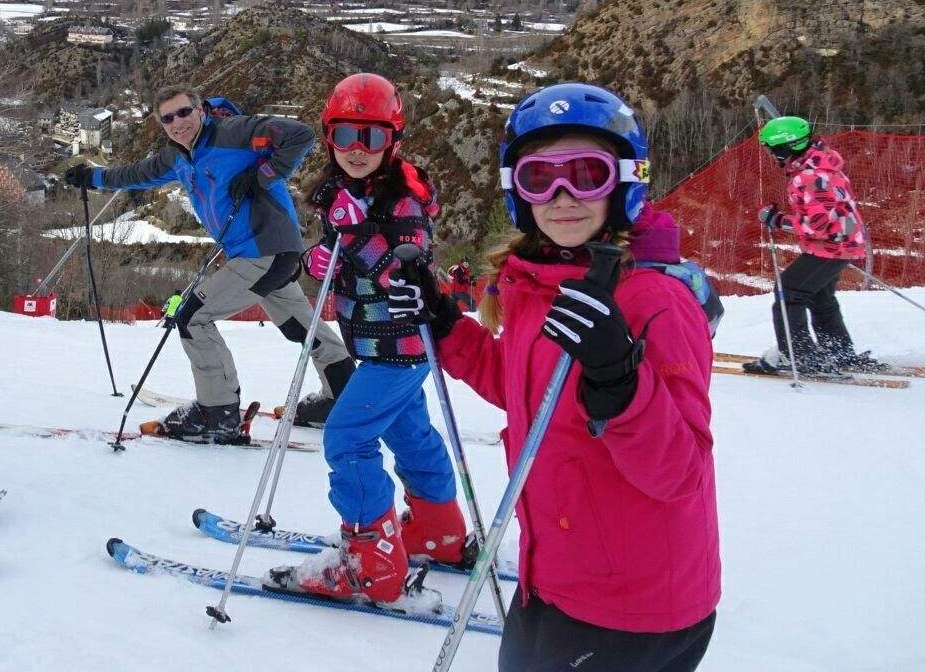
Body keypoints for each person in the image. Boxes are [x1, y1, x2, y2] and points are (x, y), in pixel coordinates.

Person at [426, 82, 719, 671]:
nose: (563, 197)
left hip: (631, 605)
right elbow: (524, 390)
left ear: (626, 181)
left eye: (588, 174)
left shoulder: (652, 299)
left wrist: (620, 384)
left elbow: (681, 473)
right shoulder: (537, 284)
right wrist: (444, 322)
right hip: (554, 572)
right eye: (540, 177)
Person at [269, 73, 470, 604]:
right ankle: (439, 531)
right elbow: (347, 258)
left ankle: (372, 565)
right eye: (345, 135)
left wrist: (355, 237)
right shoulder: (347, 193)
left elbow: (407, 275)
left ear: (393, 140)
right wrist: (323, 260)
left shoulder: (404, 202)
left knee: (347, 437)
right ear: (329, 136)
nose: (357, 149)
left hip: (401, 347)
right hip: (380, 347)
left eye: (373, 136)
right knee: (410, 432)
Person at [64, 84, 354, 442]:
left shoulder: (233, 133)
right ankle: (342, 396)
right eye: (168, 118)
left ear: (200, 109)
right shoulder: (178, 157)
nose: (178, 122)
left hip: (261, 251)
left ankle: (217, 413)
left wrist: (263, 176)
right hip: (267, 253)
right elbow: (137, 174)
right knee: (301, 325)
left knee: (192, 317)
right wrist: (91, 178)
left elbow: (300, 135)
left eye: (184, 112)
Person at [746, 115, 881, 375]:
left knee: (788, 291)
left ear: (786, 147)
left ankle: (796, 355)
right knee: (819, 296)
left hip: (832, 245)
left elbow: (817, 226)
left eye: (772, 149)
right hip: (844, 240)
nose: (771, 155)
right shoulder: (821, 162)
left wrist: (777, 220)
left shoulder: (809, 176)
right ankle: (837, 352)